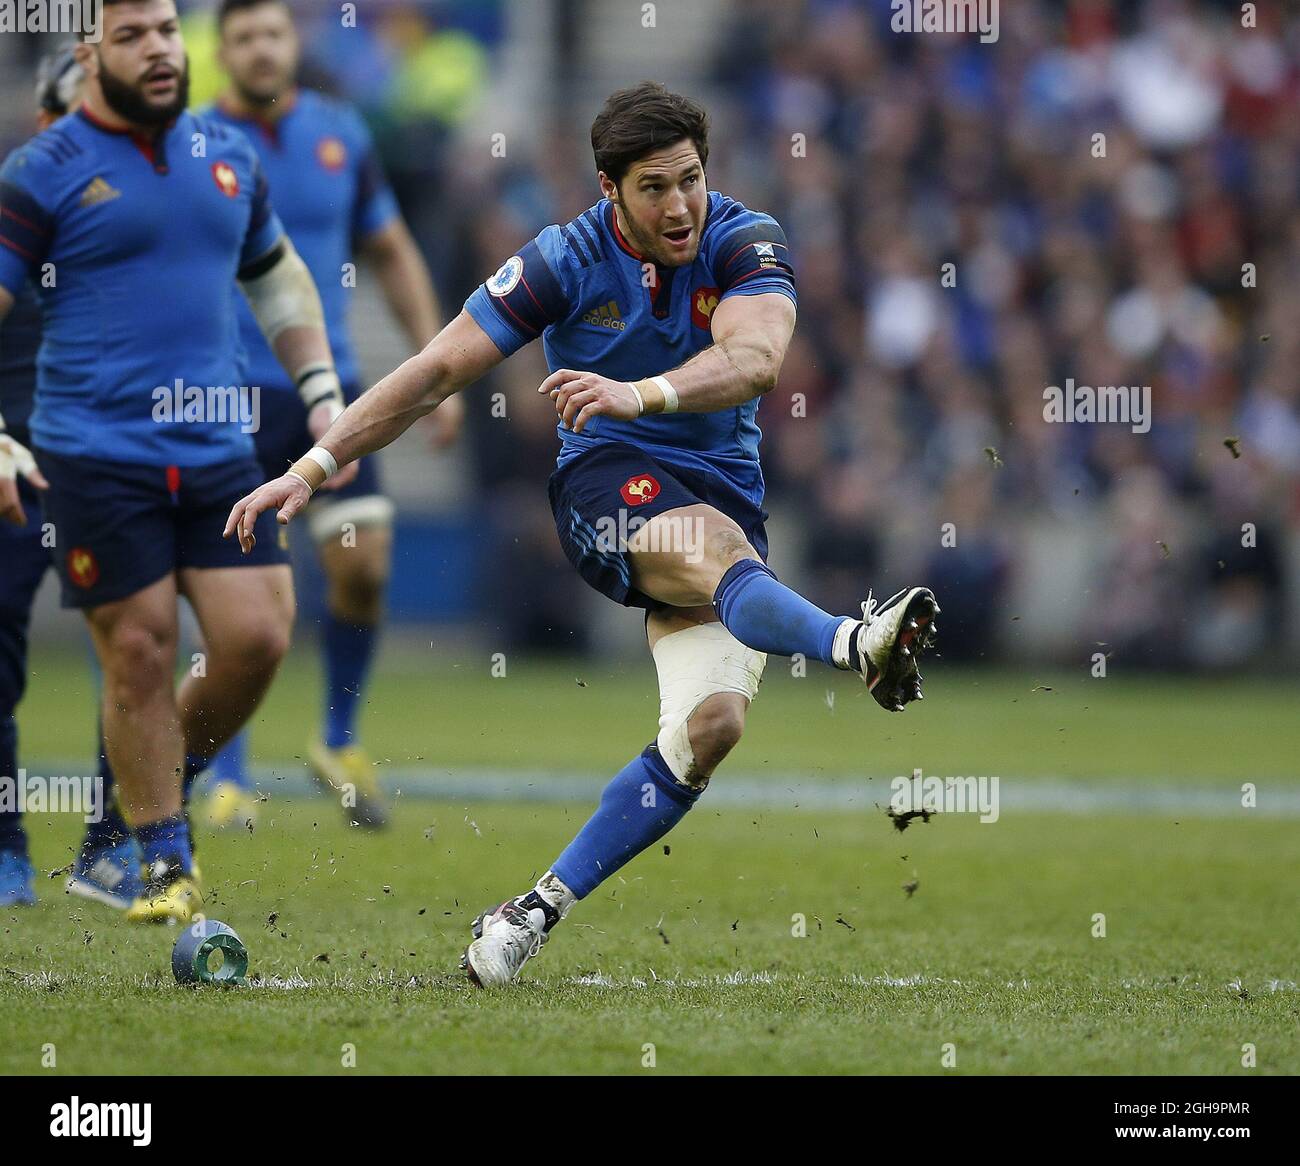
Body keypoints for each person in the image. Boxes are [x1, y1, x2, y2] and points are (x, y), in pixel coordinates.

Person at [225, 82, 938, 984]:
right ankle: (855, 641)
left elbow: (756, 361)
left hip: (720, 497)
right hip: (605, 489)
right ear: (610, 191)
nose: (678, 205)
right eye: (653, 187)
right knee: (713, 551)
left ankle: (528, 914)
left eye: (689, 178)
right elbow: (437, 368)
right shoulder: (562, 260)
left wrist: (640, 392)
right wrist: (310, 467)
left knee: (711, 727)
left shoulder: (743, 238)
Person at [0, 0, 347, 923]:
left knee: (258, 639)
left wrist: (318, 389)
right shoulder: (41, 172)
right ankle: (163, 858)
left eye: (165, 30)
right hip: (93, 458)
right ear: (91, 53)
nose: (157, 50)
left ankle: (134, 803)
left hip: (217, 447)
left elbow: (275, 276)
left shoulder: (227, 156)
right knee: (143, 649)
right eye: (132, 36)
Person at [201, 0, 460, 831]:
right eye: (242, 36)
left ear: (293, 41)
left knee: (365, 565)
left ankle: (336, 739)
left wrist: (433, 368)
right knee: (240, 597)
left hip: (330, 392)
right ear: (224, 50)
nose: (261, 48)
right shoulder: (191, 144)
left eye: (273, 32)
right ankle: (227, 773)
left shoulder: (342, 133)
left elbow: (389, 250)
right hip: (226, 398)